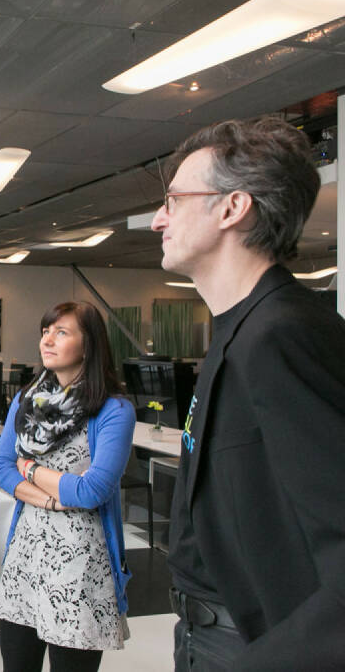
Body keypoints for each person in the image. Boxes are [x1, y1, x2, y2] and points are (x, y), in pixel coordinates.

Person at [152, 118, 345, 671]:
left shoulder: (283, 334)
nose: (159, 220)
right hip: (205, 631)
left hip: (250, 643)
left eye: (174, 200)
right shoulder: (241, 329)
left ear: (233, 208)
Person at [0, 301, 134, 672]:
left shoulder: (113, 410)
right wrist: (52, 499)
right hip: (25, 557)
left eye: (62, 332)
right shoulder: (25, 402)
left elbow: (92, 492)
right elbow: (0, 469)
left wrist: (30, 468)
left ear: (90, 344)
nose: (47, 340)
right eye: (45, 332)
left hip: (81, 566)